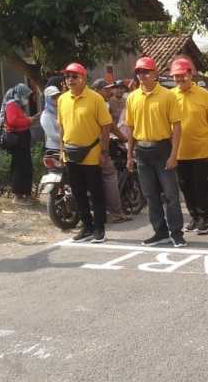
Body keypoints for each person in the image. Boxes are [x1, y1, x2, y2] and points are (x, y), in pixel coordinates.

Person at [126, 56, 186, 247]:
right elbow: (130, 128)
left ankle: (176, 232)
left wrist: (174, 155)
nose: (142, 75)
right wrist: (129, 155)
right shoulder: (132, 97)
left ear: (155, 73)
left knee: (171, 195)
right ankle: (160, 232)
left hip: (162, 149)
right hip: (142, 151)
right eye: (138, 72)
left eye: (145, 71)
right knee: (150, 195)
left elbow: (177, 127)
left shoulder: (168, 96)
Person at [57, 62, 112, 243]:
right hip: (70, 153)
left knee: (96, 192)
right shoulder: (62, 99)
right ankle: (87, 226)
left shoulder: (95, 98)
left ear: (84, 78)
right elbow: (61, 127)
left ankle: (99, 228)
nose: (70, 80)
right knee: (78, 192)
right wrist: (61, 150)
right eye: (67, 76)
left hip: (91, 152)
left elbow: (106, 126)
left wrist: (104, 151)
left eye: (74, 76)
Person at [170, 57, 208, 235]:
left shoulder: (204, 95)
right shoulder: (170, 96)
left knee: (202, 186)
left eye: (182, 75)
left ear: (190, 74)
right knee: (186, 186)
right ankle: (194, 216)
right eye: (176, 76)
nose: (179, 79)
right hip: (180, 151)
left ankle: (204, 217)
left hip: (202, 150)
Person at [92, 78, 129, 223]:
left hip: (81, 147)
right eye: (106, 89)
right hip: (100, 145)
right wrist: (123, 138)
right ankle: (117, 213)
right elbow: (110, 125)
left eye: (110, 89)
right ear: (97, 90)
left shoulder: (85, 101)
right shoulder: (101, 103)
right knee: (109, 175)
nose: (109, 91)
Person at [1, 83, 39, 203]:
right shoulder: (11, 105)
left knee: (26, 167)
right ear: (19, 94)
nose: (26, 99)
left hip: (23, 139)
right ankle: (18, 195)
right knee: (19, 167)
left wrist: (30, 120)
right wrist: (28, 120)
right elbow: (13, 121)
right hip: (18, 140)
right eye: (25, 96)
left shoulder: (17, 105)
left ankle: (26, 194)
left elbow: (20, 119)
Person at [40, 77, 64, 153]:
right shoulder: (45, 115)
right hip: (53, 149)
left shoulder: (60, 111)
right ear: (47, 98)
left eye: (58, 96)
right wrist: (69, 138)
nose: (56, 99)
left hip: (64, 147)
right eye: (53, 97)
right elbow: (53, 135)